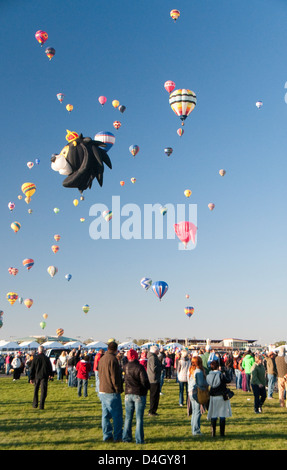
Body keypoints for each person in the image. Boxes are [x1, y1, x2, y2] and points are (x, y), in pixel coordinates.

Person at [122, 349, 150, 444]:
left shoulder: (125, 367)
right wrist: (147, 388)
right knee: (139, 418)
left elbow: (124, 379)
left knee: (128, 417)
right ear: (135, 356)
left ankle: (126, 437)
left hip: (128, 393)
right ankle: (139, 439)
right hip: (138, 393)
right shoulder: (139, 367)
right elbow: (144, 381)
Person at [98, 341, 123, 442]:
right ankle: (117, 436)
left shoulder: (102, 358)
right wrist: (118, 389)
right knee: (117, 415)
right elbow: (114, 377)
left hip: (102, 389)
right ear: (116, 349)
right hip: (111, 390)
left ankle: (107, 436)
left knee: (105, 415)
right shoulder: (113, 359)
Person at [206, 360, 232, 437]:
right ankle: (222, 433)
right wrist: (226, 372)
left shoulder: (208, 376)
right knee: (222, 414)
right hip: (221, 396)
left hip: (212, 396)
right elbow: (228, 380)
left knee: (213, 414)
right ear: (218, 367)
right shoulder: (220, 375)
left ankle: (213, 433)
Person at [187, 356, 208, 436]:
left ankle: (194, 428)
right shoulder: (198, 371)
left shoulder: (191, 370)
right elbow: (200, 383)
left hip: (190, 392)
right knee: (197, 412)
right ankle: (196, 430)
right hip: (196, 392)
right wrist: (206, 384)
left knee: (195, 411)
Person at [30, 345, 53, 410]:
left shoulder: (35, 358)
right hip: (44, 376)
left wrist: (31, 378)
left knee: (36, 390)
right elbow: (49, 367)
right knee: (43, 391)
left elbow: (32, 368)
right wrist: (50, 374)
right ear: (44, 351)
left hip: (37, 376)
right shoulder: (46, 358)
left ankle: (35, 403)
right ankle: (41, 405)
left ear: (38, 351)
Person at [147, 345, 162, 416]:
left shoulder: (151, 357)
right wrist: (161, 367)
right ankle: (152, 411)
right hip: (154, 379)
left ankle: (153, 410)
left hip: (152, 378)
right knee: (154, 396)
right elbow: (154, 368)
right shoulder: (153, 358)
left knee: (154, 396)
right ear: (155, 351)